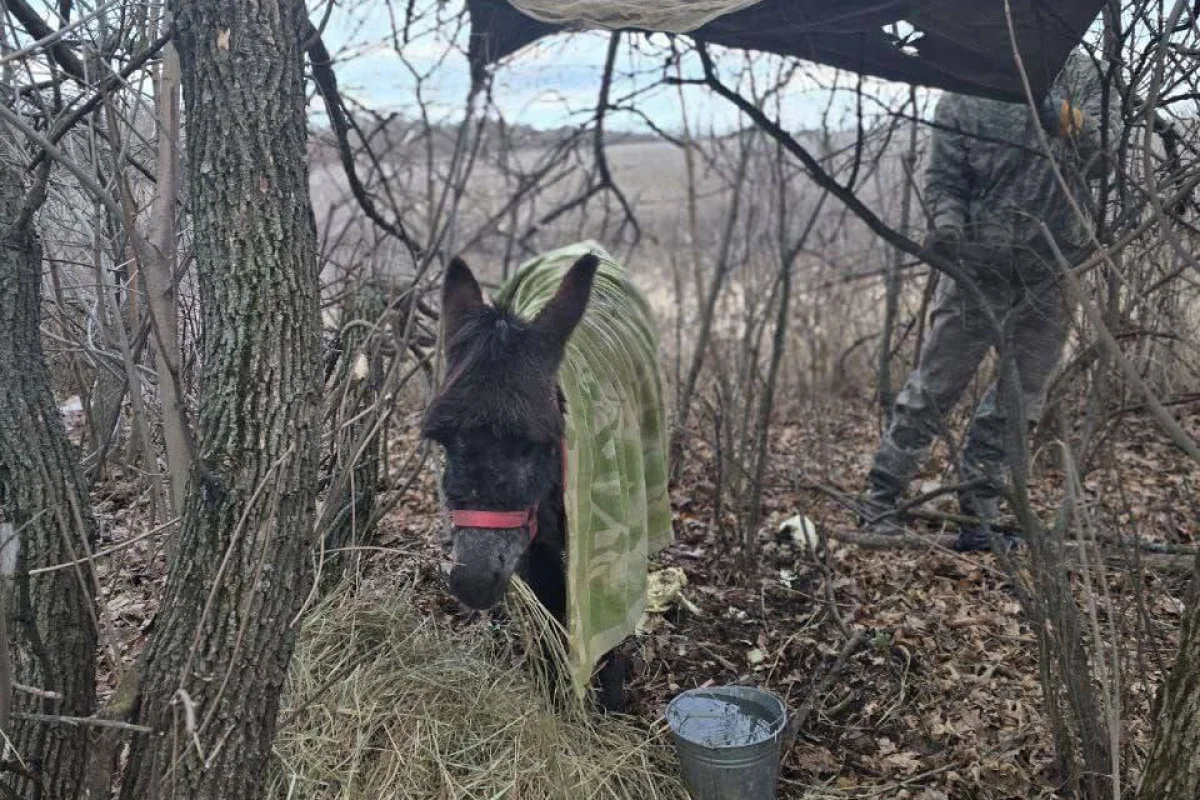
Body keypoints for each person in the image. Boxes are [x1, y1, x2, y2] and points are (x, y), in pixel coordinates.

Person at [862, 48, 1124, 551]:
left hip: (1052, 267)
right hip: (976, 269)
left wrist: (1067, 122)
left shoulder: (1084, 76)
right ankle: (881, 501)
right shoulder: (967, 81)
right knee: (935, 386)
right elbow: (944, 180)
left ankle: (980, 519)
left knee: (1017, 401)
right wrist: (947, 228)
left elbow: (1104, 162)